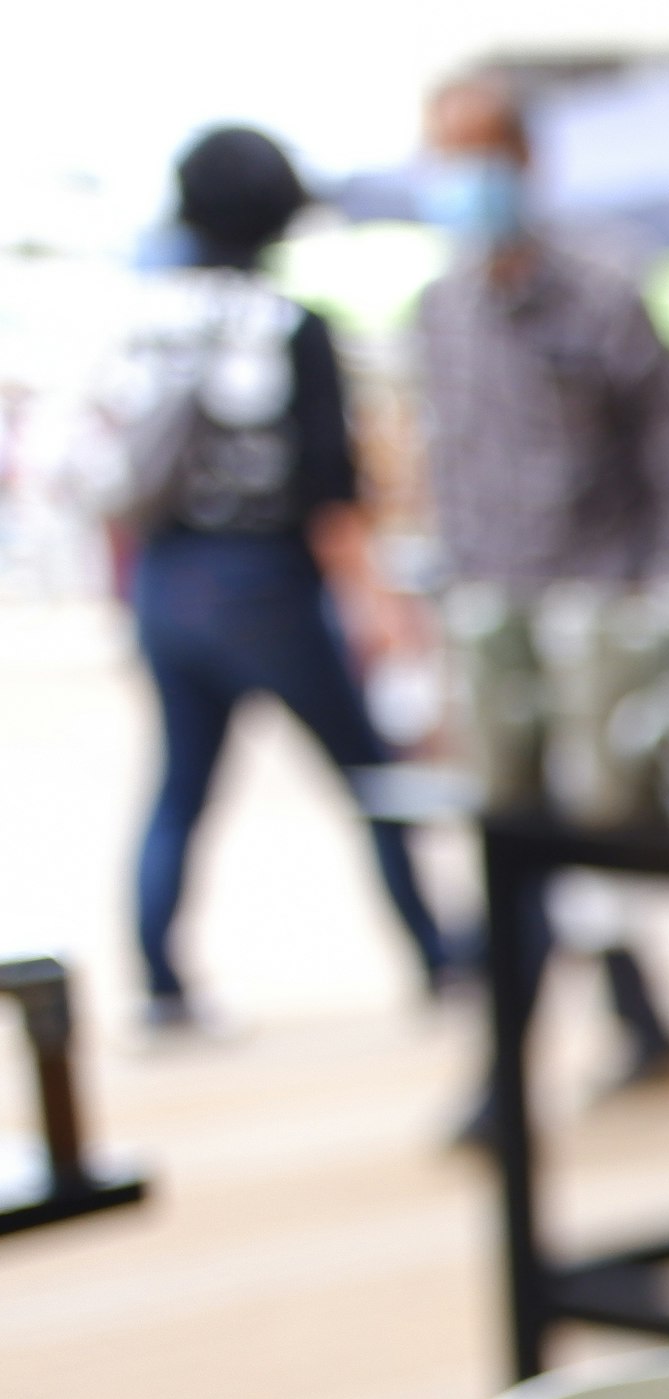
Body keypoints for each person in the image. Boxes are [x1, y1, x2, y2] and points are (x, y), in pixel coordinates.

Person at [110, 126, 453, 1033]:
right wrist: (377, 605)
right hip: (263, 583)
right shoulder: (290, 326)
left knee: (181, 787)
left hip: (166, 578)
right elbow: (329, 491)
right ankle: (434, 947)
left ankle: (159, 980)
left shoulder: (147, 317)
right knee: (370, 774)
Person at [412, 71, 669, 1089]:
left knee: (590, 846)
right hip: (494, 613)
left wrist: (667, 586)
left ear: (526, 160)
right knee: (515, 843)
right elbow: (446, 468)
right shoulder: (441, 309)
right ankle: (540, 1059)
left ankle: (556, 1054)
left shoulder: (601, 290)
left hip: (599, 613)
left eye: (480, 151)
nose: (464, 178)